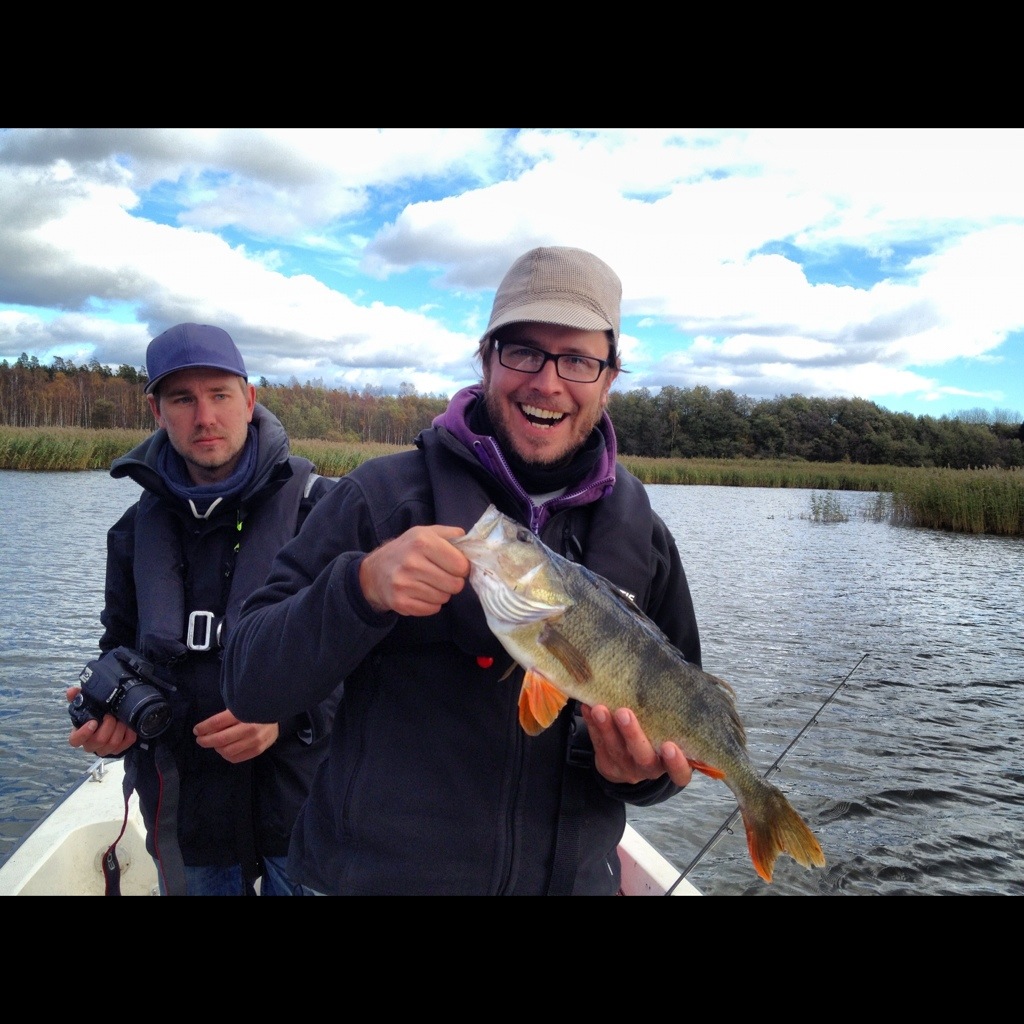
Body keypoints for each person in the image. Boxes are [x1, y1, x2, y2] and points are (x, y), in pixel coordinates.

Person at [221, 247, 701, 895]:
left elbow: (676, 742)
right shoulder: (379, 499)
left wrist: (638, 776)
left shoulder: (645, 539)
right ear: (487, 359)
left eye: (578, 360)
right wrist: (360, 588)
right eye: (523, 351)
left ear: (609, 378)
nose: (547, 382)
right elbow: (248, 682)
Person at [67, 323, 340, 896]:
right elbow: (118, 646)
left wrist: (285, 715)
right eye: (182, 399)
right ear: (156, 411)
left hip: (306, 807)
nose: (205, 417)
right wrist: (106, 718)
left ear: (250, 398)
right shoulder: (132, 534)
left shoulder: (323, 513)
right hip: (187, 815)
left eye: (219, 394)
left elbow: (369, 659)